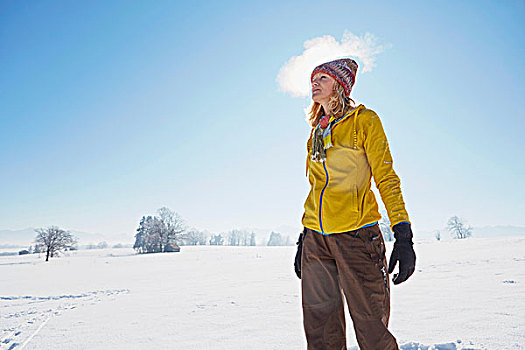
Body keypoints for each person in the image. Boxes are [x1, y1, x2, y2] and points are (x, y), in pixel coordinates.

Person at [294, 58, 416, 350]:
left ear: (340, 85)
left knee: (372, 331)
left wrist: (403, 231)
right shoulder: (316, 133)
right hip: (316, 241)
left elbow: (385, 176)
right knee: (321, 334)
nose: (315, 82)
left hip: (357, 236)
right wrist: (304, 236)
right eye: (313, 77)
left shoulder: (365, 120)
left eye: (323, 77)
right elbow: (315, 189)